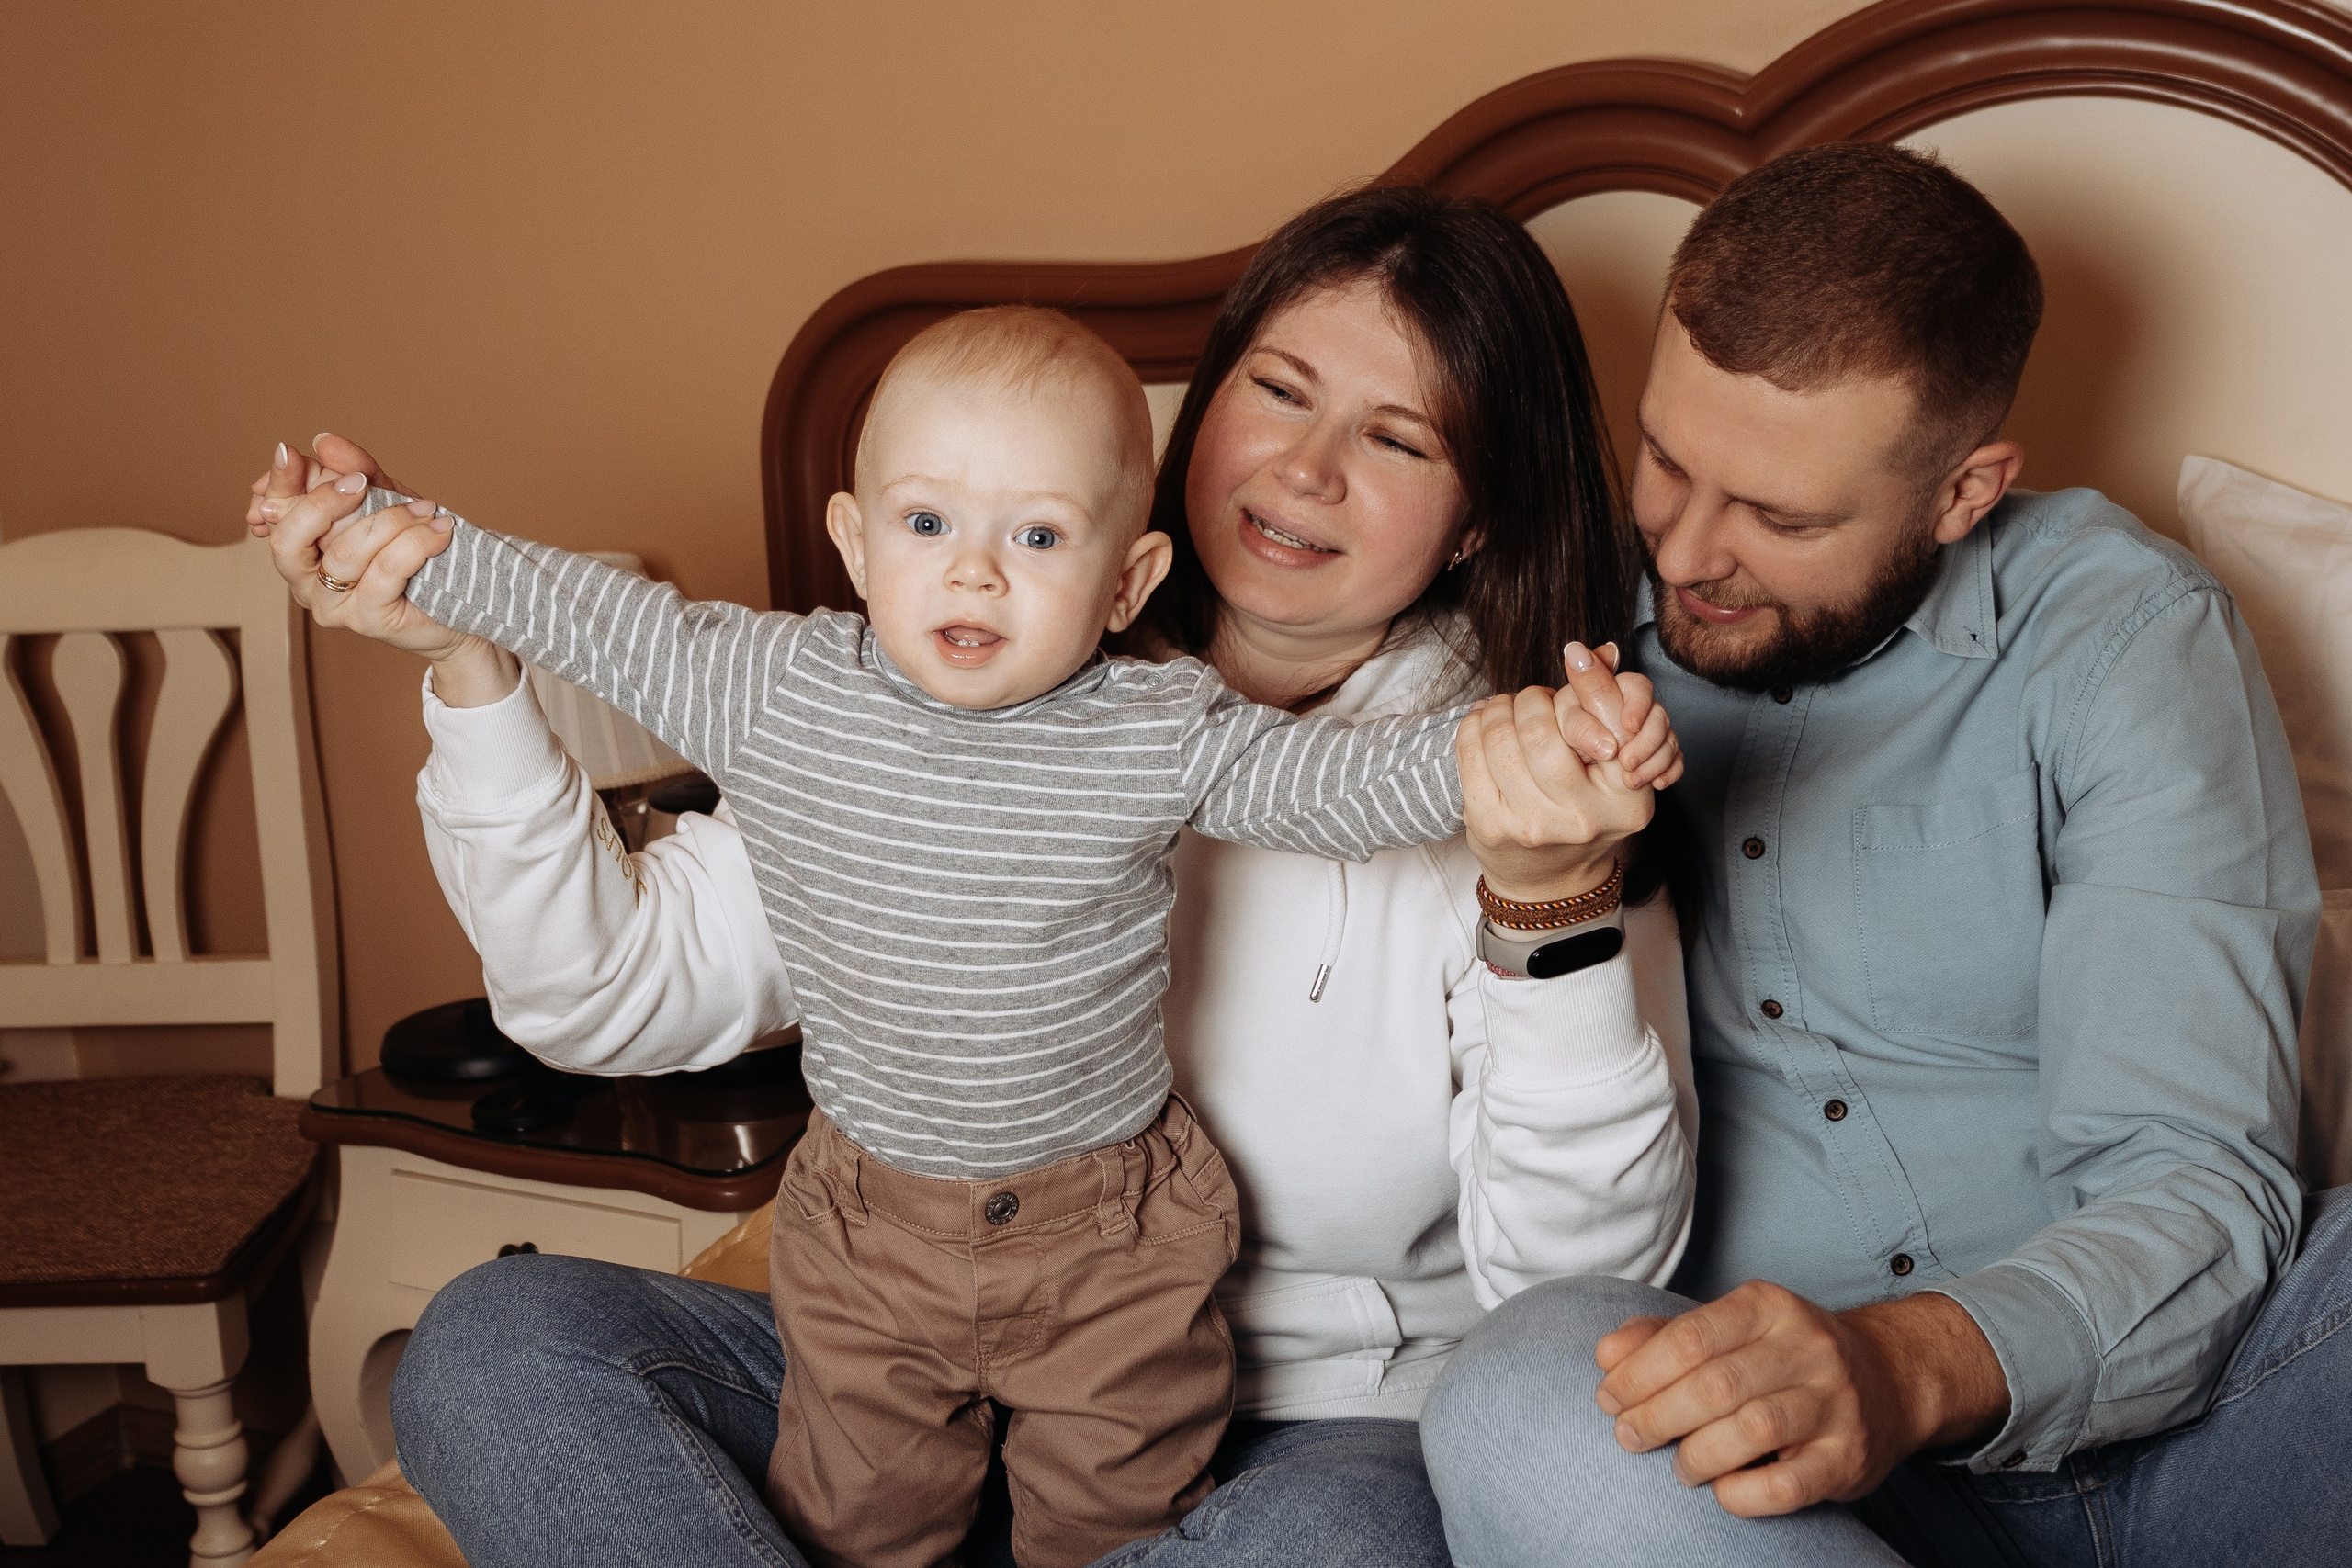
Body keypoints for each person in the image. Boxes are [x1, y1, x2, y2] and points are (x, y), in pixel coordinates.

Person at [249, 186, 1700, 1567]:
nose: (1308, 470)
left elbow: (1575, 1297)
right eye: (1278, 390)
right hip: (904, 1347)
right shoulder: (902, 701)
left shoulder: (1518, 794)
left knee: (1349, 1548)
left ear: (1479, 516)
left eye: (1398, 439)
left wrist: (1549, 874)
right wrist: (467, 645)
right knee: (496, 1343)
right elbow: (601, 994)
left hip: (1305, 1427)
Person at [1417, 141, 2348, 1567]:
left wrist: (1898, 1365)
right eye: (1667, 461)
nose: (1687, 554)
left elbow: (2195, 1176)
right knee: (1513, 1390)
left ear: (1963, 493)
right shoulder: (1554, 621)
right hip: (1791, 1506)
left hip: (2204, 1437)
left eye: (1783, 518)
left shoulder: (2124, 635)